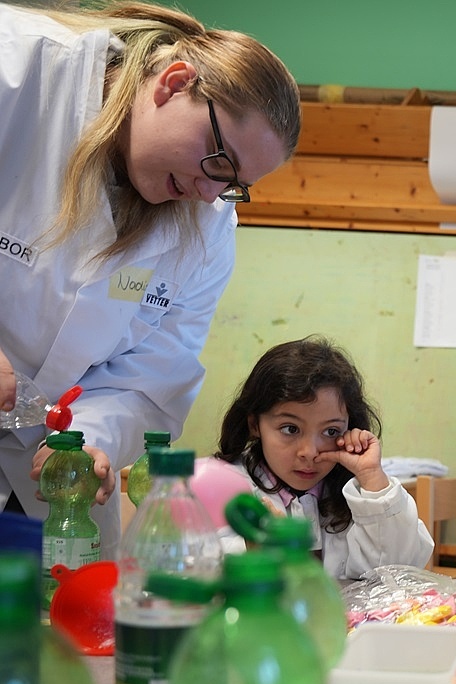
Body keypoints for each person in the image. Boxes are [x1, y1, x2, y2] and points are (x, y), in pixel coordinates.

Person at [0, 1, 300, 557]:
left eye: (234, 184)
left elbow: (152, 377)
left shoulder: (208, 229)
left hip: (49, 493)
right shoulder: (19, 67)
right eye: (219, 161)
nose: (211, 194)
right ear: (174, 83)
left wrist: (88, 438)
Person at [208, 337, 433, 580]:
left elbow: (397, 571)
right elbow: (195, 567)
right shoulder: (223, 487)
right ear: (255, 424)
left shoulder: (355, 491)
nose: (310, 452)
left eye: (331, 432)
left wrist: (372, 479)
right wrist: (254, 551)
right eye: (290, 429)